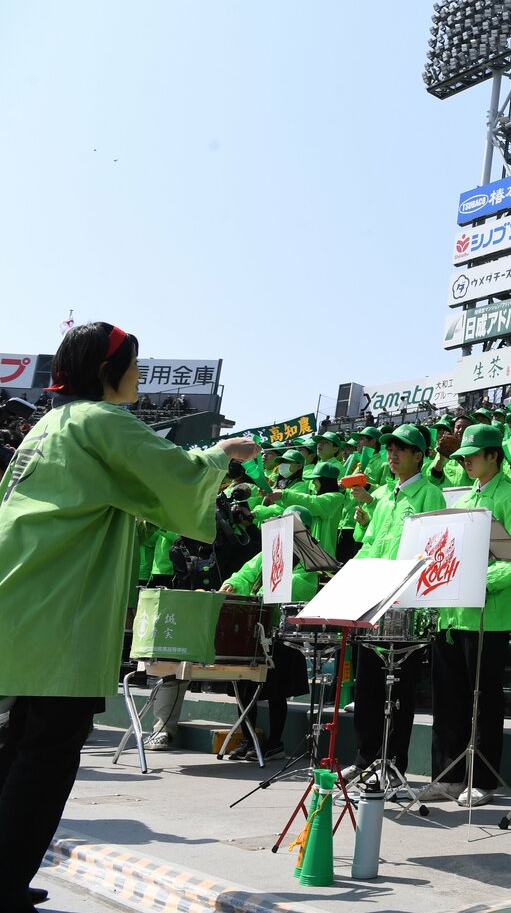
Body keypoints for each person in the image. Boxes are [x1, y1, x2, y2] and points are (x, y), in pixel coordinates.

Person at [0, 322, 258, 913]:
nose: (139, 375)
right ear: (104, 371)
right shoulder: (102, 421)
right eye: (132, 363)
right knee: (48, 750)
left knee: (23, 743)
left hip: (24, 598)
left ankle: (6, 871)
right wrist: (222, 453)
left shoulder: (50, 425)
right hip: (56, 609)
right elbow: (175, 476)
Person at [421, 424, 511, 807]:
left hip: (489, 616)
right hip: (453, 615)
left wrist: (480, 581)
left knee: (484, 701)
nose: (466, 462)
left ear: (494, 455)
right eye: (464, 457)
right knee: (448, 699)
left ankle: (485, 781)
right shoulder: (465, 499)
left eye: (473, 455)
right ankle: (447, 777)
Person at [344, 422, 445, 793]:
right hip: (372, 602)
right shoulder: (384, 497)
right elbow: (369, 545)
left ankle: (393, 764)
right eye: (389, 448)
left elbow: (429, 552)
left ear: (420, 455)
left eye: (401, 448)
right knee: (368, 685)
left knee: (398, 689)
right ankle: (365, 757)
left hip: (405, 605)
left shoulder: (430, 495)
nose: (393, 453)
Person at [219, 505, 318, 761]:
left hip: (281, 631)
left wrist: (270, 588)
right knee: (243, 685)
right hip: (256, 628)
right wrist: (233, 584)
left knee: (276, 691)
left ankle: (275, 742)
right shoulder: (270, 549)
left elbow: (303, 584)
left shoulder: (308, 555)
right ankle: (247, 737)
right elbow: (247, 572)